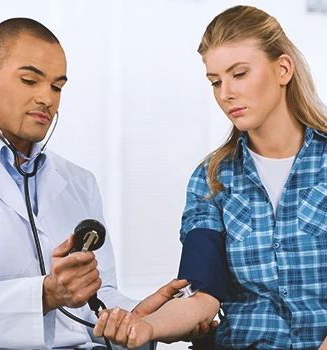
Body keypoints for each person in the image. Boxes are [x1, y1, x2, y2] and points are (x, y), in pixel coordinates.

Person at [93, 5, 327, 350]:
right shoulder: (212, 178)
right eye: (215, 81)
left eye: (240, 74)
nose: (225, 93)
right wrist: (144, 327)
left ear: (283, 69)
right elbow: (202, 293)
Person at [0, 17, 192, 350]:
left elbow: (97, 294)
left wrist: (140, 317)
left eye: (56, 86)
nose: (46, 98)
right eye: (30, 80)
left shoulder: (79, 183)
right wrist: (45, 295)